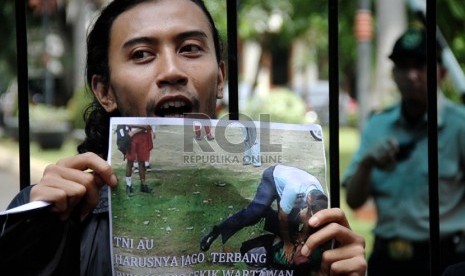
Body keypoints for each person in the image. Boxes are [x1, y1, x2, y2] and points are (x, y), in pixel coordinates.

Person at [2, 0, 366, 275]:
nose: (172, 71)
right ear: (104, 90)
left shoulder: (305, 217)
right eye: (142, 54)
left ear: (220, 78)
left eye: (190, 48)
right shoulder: (52, 214)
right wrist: (36, 233)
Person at [343, 27, 465, 275]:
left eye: (420, 66)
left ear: (440, 72)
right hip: (386, 259)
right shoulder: (378, 125)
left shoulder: (459, 126)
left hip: (444, 260)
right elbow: (354, 201)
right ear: (393, 73)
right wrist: (367, 164)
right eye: (402, 66)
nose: (411, 75)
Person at [200, 164, 328, 264]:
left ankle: (268, 221)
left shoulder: (319, 194)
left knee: (292, 228)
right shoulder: (294, 189)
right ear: (310, 200)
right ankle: (216, 232)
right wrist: (287, 243)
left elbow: (309, 217)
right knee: (254, 213)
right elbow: (282, 217)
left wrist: (303, 235)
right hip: (273, 178)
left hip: (290, 188)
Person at [124, 125, 153, 194]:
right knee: (130, 162)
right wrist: (142, 127)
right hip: (132, 137)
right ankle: (129, 185)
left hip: (143, 136)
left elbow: (148, 126)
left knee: (142, 162)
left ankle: (142, 185)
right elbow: (128, 123)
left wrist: (135, 131)